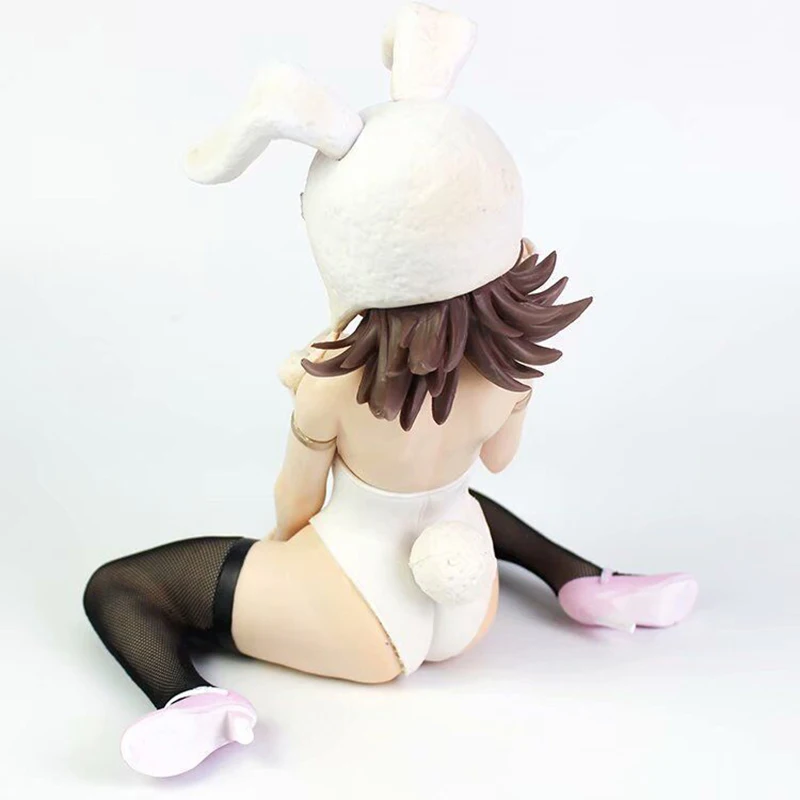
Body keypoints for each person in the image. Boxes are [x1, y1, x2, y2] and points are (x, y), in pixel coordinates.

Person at [83, 3, 697, 778]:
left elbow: (296, 503)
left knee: (126, 585)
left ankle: (189, 700)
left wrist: (285, 553)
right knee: (451, 496)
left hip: (360, 615)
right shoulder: (511, 366)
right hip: (468, 603)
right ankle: (581, 580)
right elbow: (496, 460)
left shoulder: (335, 385)